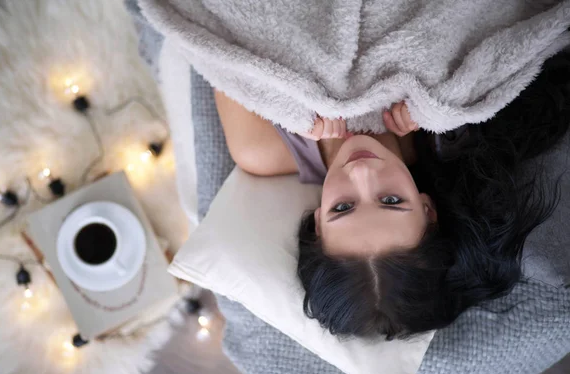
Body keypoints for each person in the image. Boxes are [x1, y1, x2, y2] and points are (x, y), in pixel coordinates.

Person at [215, 51, 570, 340]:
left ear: (318, 224)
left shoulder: (260, 148)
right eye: (391, 201)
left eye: (342, 207)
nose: (361, 172)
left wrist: (288, 103)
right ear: (428, 209)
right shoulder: (447, 124)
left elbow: (223, 47)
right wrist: (435, 98)